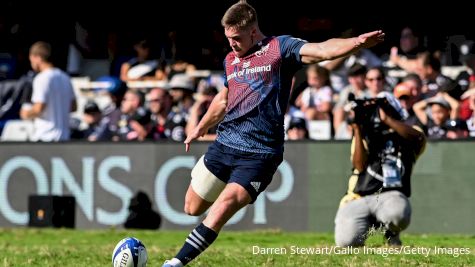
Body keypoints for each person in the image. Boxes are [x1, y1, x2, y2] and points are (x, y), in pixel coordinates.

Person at [162, 1, 385, 266]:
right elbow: (224, 98)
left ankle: (174, 264)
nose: (231, 44)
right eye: (228, 38)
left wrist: (356, 43)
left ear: (253, 31)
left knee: (223, 207)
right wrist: (201, 127)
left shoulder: (280, 48)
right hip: (224, 145)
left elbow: (322, 50)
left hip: (260, 155)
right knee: (192, 208)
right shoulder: (231, 60)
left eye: (236, 38)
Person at [334, 92, 426, 247]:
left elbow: (418, 138)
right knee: (346, 243)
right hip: (359, 196)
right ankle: (367, 226)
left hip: (390, 195)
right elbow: (359, 165)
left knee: (397, 214)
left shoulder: (407, 133)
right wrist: (358, 130)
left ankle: (391, 233)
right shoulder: (365, 135)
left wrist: (387, 120)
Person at [20, 41, 76, 142]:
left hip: (46, 137)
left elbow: (39, 108)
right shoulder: (65, 77)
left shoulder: (42, 78)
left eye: (31, 60)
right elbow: (73, 107)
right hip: (64, 137)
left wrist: (25, 113)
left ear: (38, 57)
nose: (31, 63)